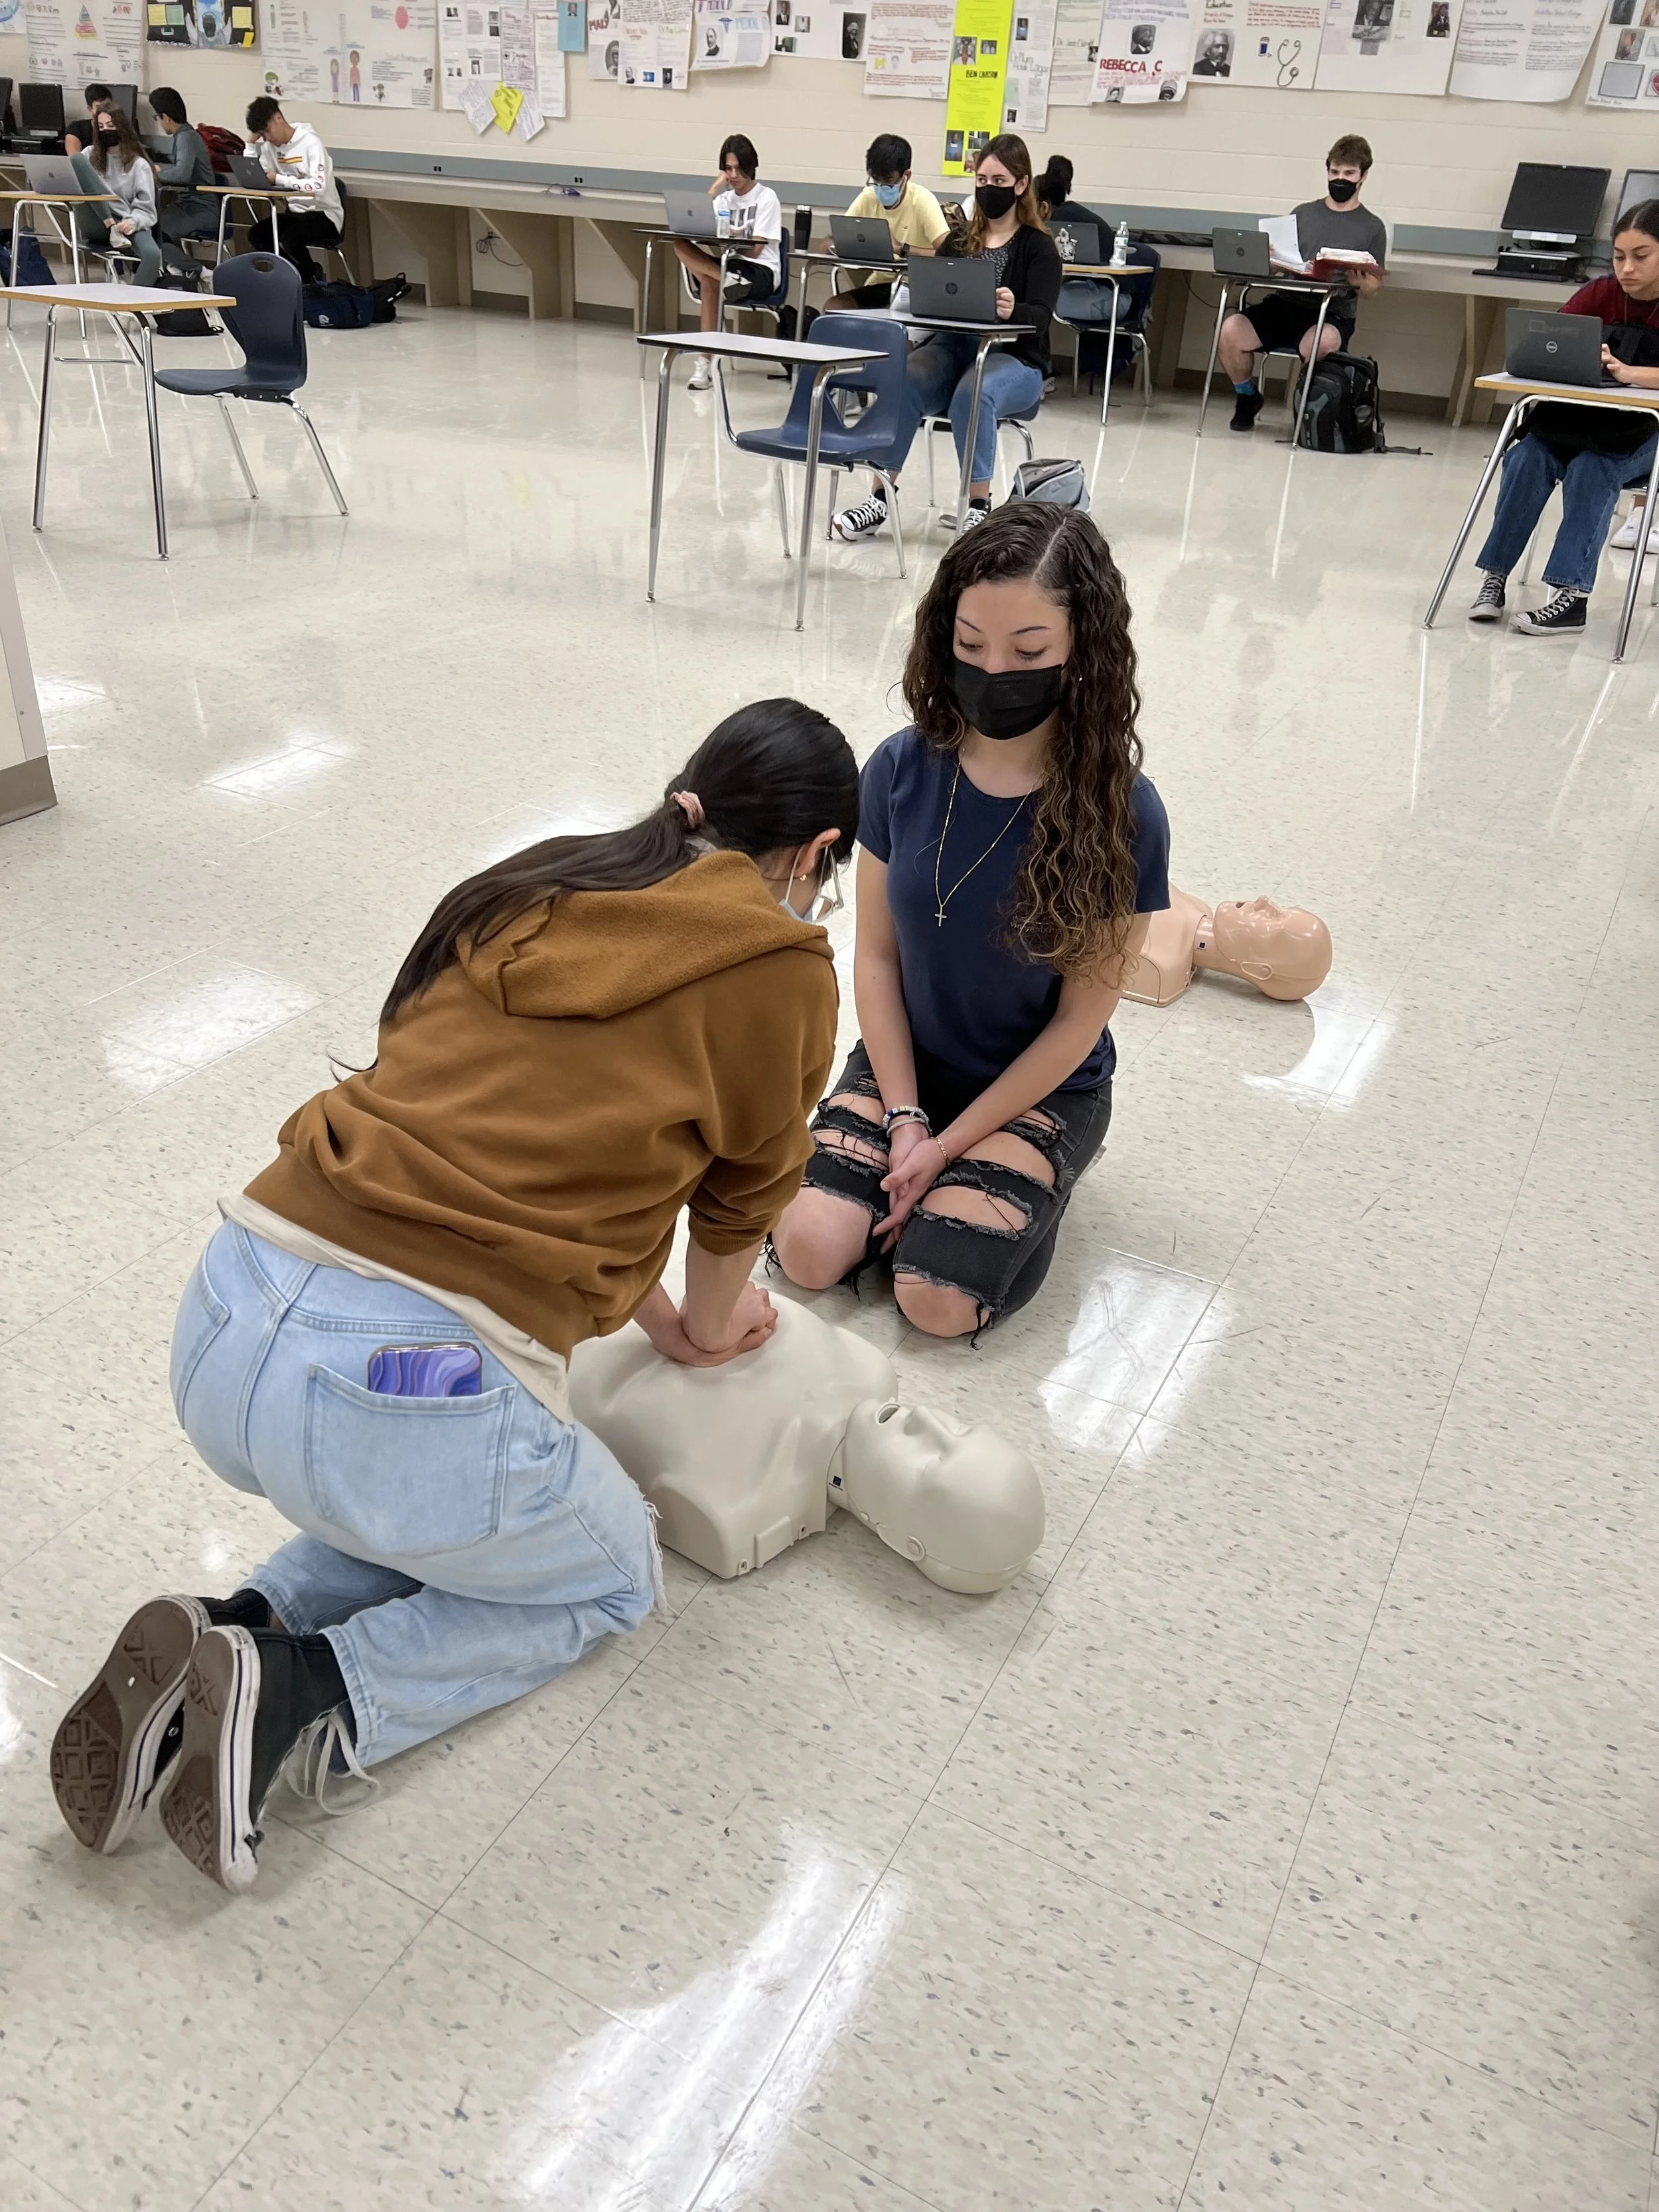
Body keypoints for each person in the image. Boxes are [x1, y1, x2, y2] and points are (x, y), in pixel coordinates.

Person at [48, 701, 859, 1892]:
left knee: (428, 1505)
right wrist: (700, 1325)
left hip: (228, 1303)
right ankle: (301, 1693)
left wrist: (644, 1303)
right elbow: (737, 1202)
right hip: (395, 1381)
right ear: (817, 853)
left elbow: (535, 1146)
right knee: (607, 1568)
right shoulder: (781, 965)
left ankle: (229, 1627)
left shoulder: (543, 881)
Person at [772, 505, 1170, 1338]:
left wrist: (947, 1153)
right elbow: (875, 961)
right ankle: (915, 1193)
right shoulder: (899, 768)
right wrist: (910, 1121)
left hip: (1042, 1084)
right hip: (906, 1066)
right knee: (809, 1251)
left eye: (1028, 653)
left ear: (1081, 652)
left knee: (937, 1299)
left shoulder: (1125, 814)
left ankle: (1025, 1181)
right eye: (968, 645)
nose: (994, 670)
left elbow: (1078, 1025)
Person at [832, 133, 1062, 541]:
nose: (989, 189)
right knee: (905, 377)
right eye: (982, 181)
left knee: (974, 392)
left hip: (1017, 361)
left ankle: (978, 506)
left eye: (999, 182)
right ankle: (879, 497)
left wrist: (1015, 309)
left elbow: (1042, 318)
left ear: (1021, 185)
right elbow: (933, 295)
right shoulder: (959, 240)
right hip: (952, 347)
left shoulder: (1039, 247)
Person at [1467, 199, 1659, 637]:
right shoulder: (1600, 293)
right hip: (1575, 422)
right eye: (1619, 257)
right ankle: (1494, 578)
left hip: (1639, 436)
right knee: (1525, 458)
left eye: (1641, 256)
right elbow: (1547, 343)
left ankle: (1571, 597)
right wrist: (1579, 356)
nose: (1627, 268)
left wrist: (1629, 374)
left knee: (1594, 469)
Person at [1219, 134, 1386, 433]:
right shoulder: (1303, 212)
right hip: (1287, 301)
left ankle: (1309, 407)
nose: (1340, 179)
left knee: (1320, 344)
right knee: (1230, 330)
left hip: (1333, 310)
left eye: (1348, 174)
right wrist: (1269, 261)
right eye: (1334, 172)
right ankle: (1246, 397)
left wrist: (1359, 282)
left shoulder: (1373, 227)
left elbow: (1373, 291)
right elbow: (1285, 259)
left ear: (1363, 176)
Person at [674, 134, 782, 392]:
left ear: (750, 166)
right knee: (681, 246)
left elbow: (756, 250)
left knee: (710, 280)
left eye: (737, 169)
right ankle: (705, 363)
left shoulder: (767, 198)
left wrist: (732, 238)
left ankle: (705, 362)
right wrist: (714, 190)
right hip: (729, 267)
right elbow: (689, 227)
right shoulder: (723, 199)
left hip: (760, 271)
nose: (732, 175)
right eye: (727, 169)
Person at [822, 132, 948, 315]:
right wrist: (837, 246)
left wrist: (900, 249)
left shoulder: (922, 200)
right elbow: (827, 242)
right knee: (834, 308)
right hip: (882, 284)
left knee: (893, 318)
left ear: (907, 175)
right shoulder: (869, 196)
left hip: (916, 287)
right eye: (876, 180)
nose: (881, 188)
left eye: (888, 181)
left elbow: (946, 256)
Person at [242, 94, 344, 284]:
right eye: (262, 135)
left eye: (267, 131)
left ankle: (308, 281)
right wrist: (250, 144)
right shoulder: (268, 148)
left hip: (324, 215)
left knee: (290, 237)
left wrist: (280, 178)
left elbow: (318, 186)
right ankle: (298, 274)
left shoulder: (311, 143)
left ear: (278, 118)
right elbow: (257, 177)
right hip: (296, 213)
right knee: (258, 235)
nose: (268, 138)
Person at [70, 105, 161, 286]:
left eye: (110, 125)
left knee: (152, 255)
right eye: (101, 126)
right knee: (76, 159)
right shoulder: (88, 155)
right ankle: (110, 225)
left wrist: (132, 223)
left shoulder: (139, 164)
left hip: (126, 221)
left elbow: (146, 208)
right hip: (97, 222)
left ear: (121, 127)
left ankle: (134, 305)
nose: (105, 131)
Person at [148, 86, 216, 277]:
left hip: (200, 209)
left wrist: (155, 173)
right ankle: (178, 268)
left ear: (165, 117)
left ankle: (200, 272)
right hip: (188, 206)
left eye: (157, 118)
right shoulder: (185, 135)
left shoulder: (186, 137)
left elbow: (181, 175)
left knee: (152, 232)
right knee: (150, 225)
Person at [64, 83, 113, 156]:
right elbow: (75, 160)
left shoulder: (120, 127)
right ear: (90, 109)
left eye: (108, 106)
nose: (105, 111)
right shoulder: (76, 128)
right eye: (99, 108)